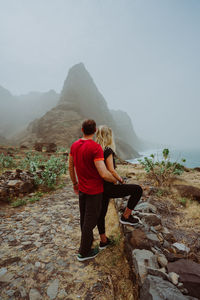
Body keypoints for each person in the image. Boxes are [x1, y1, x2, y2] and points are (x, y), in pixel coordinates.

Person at [68, 119, 117, 261]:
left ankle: (87, 244)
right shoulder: (95, 148)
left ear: (82, 130)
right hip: (94, 191)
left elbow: (70, 166)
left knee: (84, 219)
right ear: (95, 131)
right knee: (90, 221)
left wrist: (74, 183)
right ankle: (83, 252)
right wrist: (114, 180)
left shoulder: (74, 145)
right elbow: (103, 173)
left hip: (82, 189)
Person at [96, 125, 143, 249]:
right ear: (108, 136)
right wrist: (121, 180)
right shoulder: (108, 150)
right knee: (137, 190)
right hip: (109, 188)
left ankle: (103, 241)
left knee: (101, 214)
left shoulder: (95, 150)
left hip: (99, 188)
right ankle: (126, 216)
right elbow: (111, 169)